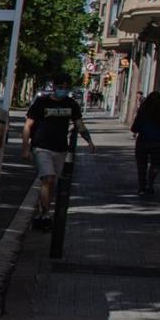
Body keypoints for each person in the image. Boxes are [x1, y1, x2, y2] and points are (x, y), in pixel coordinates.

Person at [23, 76, 94, 229]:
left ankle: (42, 209)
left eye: (66, 86)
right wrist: (25, 147)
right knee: (48, 178)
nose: (63, 89)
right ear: (54, 87)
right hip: (41, 147)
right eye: (60, 86)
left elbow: (79, 125)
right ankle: (46, 213)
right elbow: (28, 125)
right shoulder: (41, 103)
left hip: (60, 148)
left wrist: (89, 141)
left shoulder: (71, 104)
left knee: (51, 182)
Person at [130, 90, 160, 196]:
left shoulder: (143, 110)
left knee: (141, 166)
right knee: (155, 165)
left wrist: (139, 128)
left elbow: (134, 128)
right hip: (158, 143)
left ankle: (141, 187)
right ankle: (150, 183)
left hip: (143, 142)